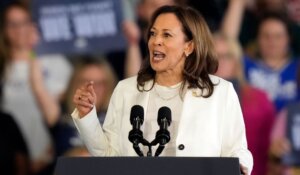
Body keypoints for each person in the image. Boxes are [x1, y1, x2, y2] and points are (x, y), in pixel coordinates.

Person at [72, 6, 253, 174]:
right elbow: (109, 157)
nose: (156, 41)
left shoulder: (220, 92)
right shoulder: (126, 90)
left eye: (166, 35)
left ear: (189, 46)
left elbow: (237, 151)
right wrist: (87, 116)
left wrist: (240, 168)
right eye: (153, 34)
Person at [0, 2, 72, 173]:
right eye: (13, 24)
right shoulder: (3, 66)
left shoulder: (54, 59)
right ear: (4, 29)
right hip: (10, 159)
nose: (20, 29)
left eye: (25, 22)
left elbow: (68, 108)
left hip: (49, 155)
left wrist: (53, 149)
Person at [214, 33, 276, 175]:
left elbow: (269, 149)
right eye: (214, 55)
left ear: (237, 61)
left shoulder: (259, 99)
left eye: (227, 56)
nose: (220, 61)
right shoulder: (194, 98)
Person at [52, 57, 117, 156]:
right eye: (86, 82)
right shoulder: (59, 112)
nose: (93, 89)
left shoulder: (116, 116)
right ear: (74, 84)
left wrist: (132, 46)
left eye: (100, 83)